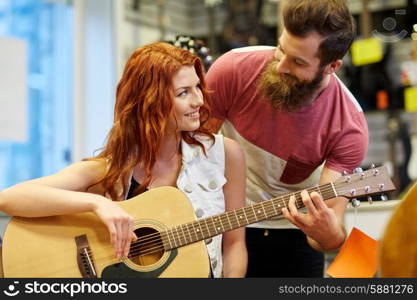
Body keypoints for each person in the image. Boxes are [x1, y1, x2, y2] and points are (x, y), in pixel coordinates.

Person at [0, 42, 247, 278]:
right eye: (183, 93)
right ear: (151, 101)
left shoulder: (225, 155)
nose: (199, 101)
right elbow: (9, 198)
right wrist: (97, 204)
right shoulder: (111, 168)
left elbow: (234, 243)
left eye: (197, 87)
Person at [205, 0, 368, 277]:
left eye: (298, 62)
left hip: (294, 234)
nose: (280, 66)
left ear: (332, 66)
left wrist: (329, 234)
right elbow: (192, 154)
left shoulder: (348, 126)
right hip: (224, 223)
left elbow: (326, 239)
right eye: (281, 49)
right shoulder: (232, 69)